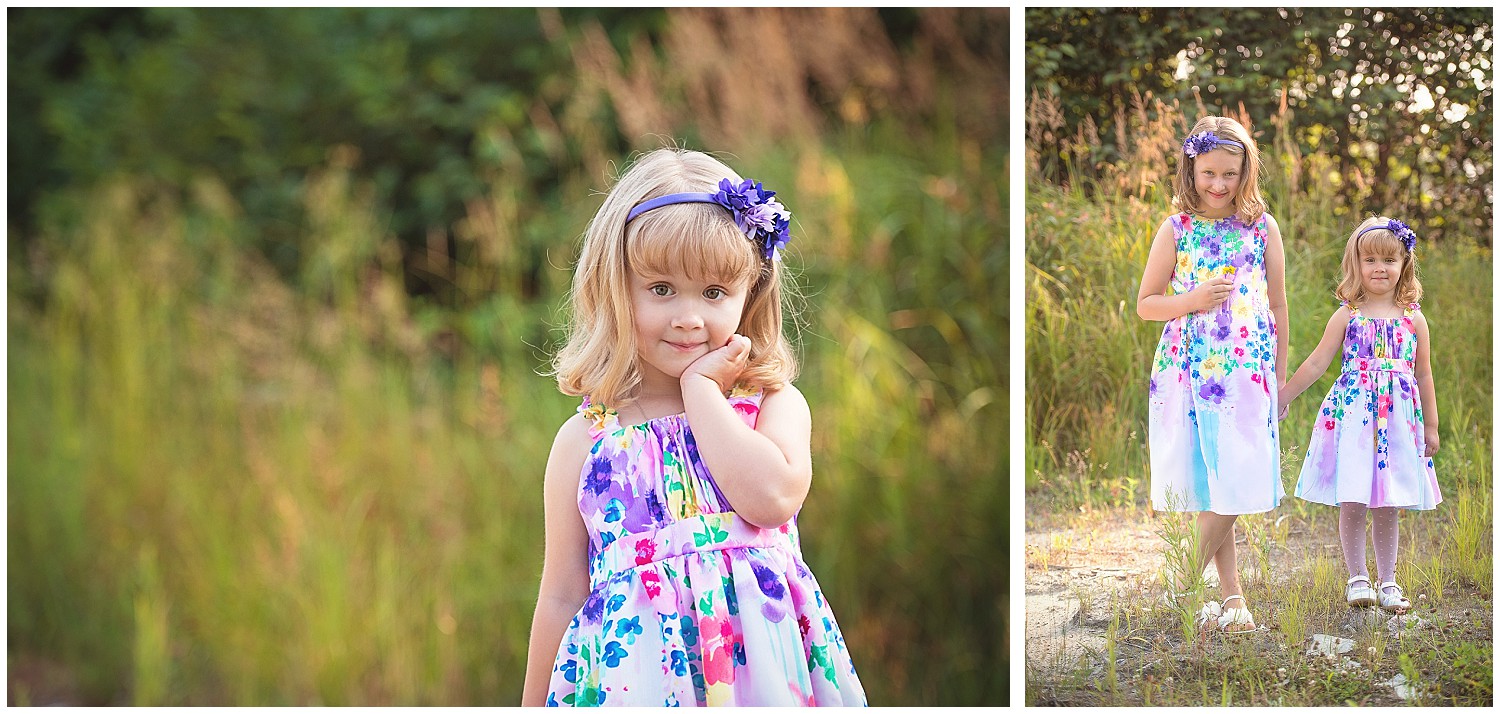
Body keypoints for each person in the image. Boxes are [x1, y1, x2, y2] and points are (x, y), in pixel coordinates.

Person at [520, 148, 866, 706]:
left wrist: (702, 392)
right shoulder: (585, 441)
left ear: (749, 292)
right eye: (661, 290)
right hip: (635, 683)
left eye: (713, 293)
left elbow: (772, 499)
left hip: (758, 676)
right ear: (616, 290)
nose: (689, 317)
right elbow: (561, 594)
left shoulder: (771, 404)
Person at [1137, 116, 1288, 634]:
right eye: (1208, 174)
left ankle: (1180, 583)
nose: (1219, 185)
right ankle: (1232, 598)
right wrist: (1194, 300)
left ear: (1245, 171)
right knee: (1209, 483)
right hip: (1187, 368)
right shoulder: (1175, 228)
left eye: (1229, 173)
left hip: (1247, 371)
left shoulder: (1262, 227)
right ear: (1191, 169)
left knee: (1240, 475)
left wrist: (1281, 381)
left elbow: (1279, 307)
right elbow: (1146, 304)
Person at [1278, 216, 1440, 614]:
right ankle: (1357, 579)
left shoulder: (1413, 319)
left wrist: (1431, 426)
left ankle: (1388, 581)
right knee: (1354, 497)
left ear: (1405, 264)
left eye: (1389, 260)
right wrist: (1283, 396)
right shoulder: (1347, 315)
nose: (1379, 268)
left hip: (1398, 423)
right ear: (1356, 264)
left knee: (1388, 501)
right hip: (1354, 417)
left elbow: (1423, 373)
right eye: (1370, 260)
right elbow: (1317, 363)